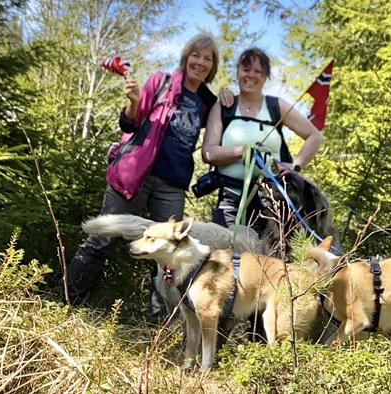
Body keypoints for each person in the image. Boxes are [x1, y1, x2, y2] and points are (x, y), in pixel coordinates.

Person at [58, 34, 228, 316]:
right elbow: (130, 121)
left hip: (172, 186)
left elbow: (224, 124)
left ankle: (158, 325)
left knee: (168, 255)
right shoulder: (162, 82)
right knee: (102, 240)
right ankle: (64, 302)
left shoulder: (207, 102)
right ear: (186, 57)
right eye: (196, 55)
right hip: (136, 177)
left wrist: (227, 96)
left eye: (207, 59)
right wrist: (134, 101)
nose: (200, 62)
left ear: (213, 66)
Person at [202, 47, 324, 235]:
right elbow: (208, 153)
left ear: (266, 76)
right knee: (224, 256)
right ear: (238, 72)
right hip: (230, 199)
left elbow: (315, 136)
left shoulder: (276, 106)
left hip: (271, 202)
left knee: (269, 261)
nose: (250, 75)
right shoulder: (224, 107)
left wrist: (295, 166)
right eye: (245, 69)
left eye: (257, 71)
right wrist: (242, 151)